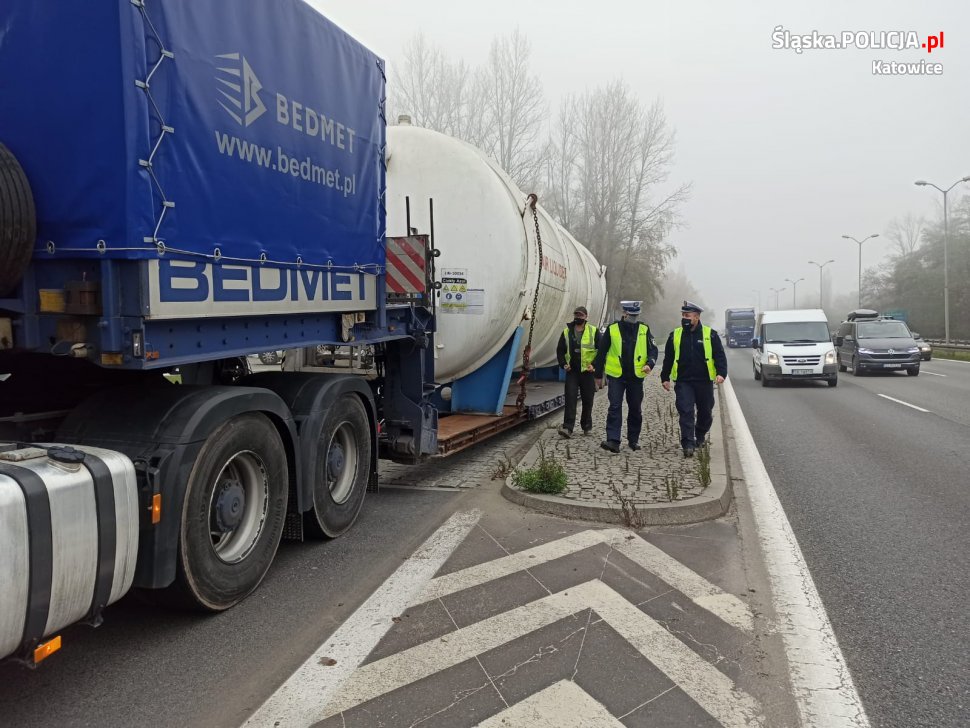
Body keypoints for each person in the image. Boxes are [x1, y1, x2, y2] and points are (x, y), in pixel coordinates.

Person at [660, 301, 728, 457]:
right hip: (683, 381)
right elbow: (668, 358)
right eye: (683, 315)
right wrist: (665, 377)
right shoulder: (675, 335)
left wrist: (721, 373)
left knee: (706, 412)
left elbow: (719, 356)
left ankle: (700, 433)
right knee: (686, 411)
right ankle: (688, 443)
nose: (684, 318)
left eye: (688, 315)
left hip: (704, 381)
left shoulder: (710, 335)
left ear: (697, 317)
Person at [593, 301, 658, 453]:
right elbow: (601, 352)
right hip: (617, 376)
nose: (634, 318)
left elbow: (653, 350)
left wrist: (649, 364)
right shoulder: (612, 329)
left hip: (636, 377)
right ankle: (613, 440)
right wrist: (598, 375)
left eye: (636, 315)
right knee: (615, 407)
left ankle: (633, 439)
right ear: (624, 313)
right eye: (631, 315)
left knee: (635, 408)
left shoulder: (644, 329)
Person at [556, 306, 601, 438]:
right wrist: (563, 364)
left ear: (586, 317)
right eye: (576, 315)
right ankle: (567, 428)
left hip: (587, 372)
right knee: (570, 399)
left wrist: (594, 365)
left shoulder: (594, 331)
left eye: (581, 315)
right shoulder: (566, 332)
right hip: (573, 372)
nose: (578, 317)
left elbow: (601, 351)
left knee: (588, 400)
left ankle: (586, 426)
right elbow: (560, 350)